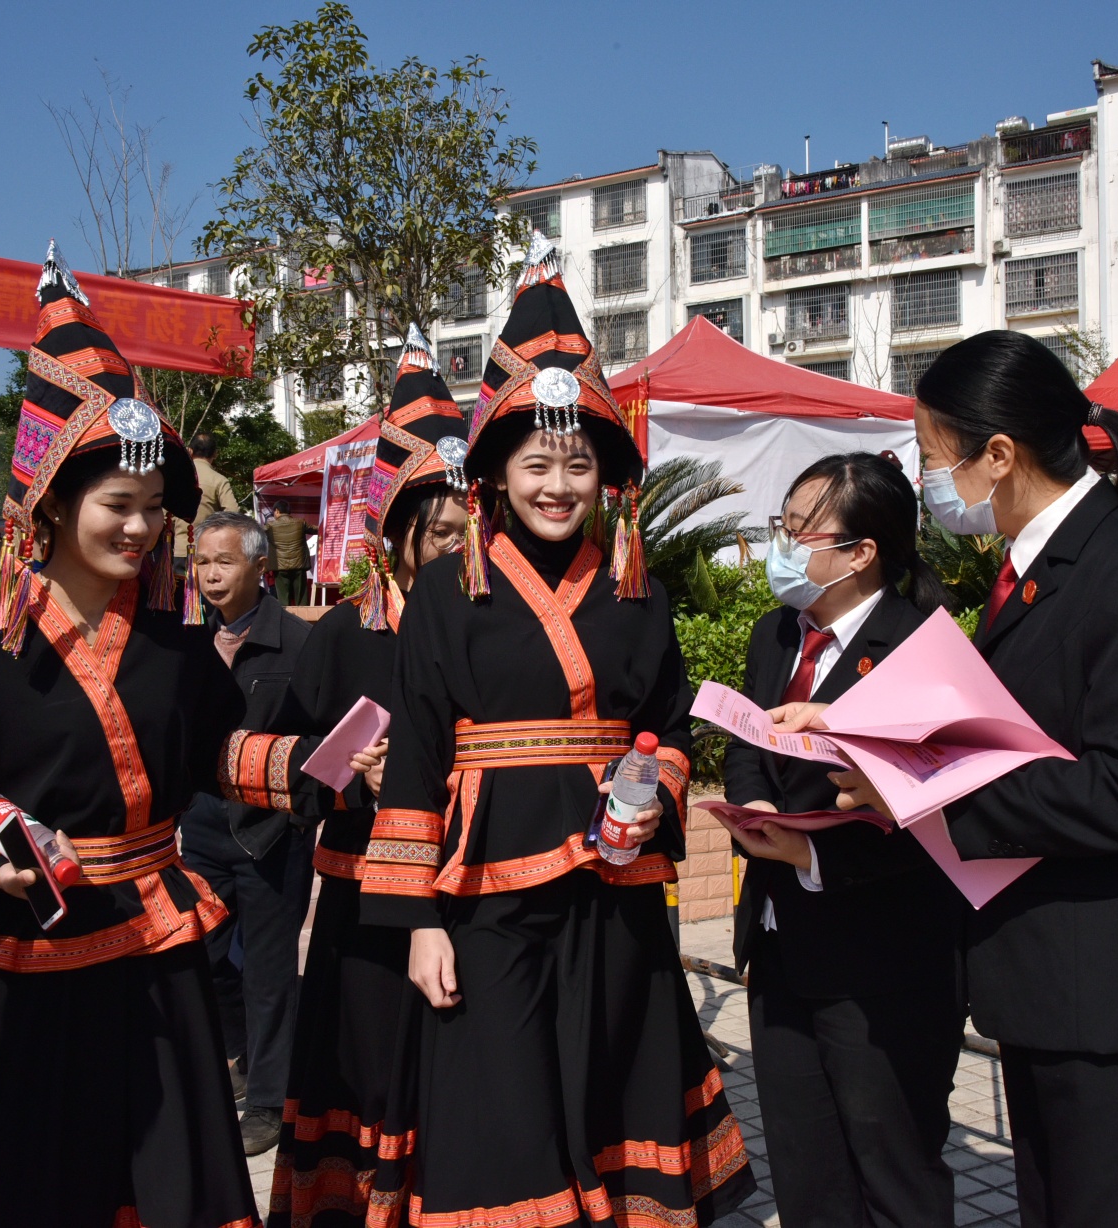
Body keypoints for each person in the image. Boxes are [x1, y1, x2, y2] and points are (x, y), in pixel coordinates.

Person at [799, 332, 1118, 1227]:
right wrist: (864, 734)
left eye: (933, 455)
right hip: (1054, 977)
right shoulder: (1040, 567)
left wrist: (927, 791)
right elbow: (1016, 733)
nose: (927, 479)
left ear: (998, 454)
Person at [347, 238, 756, 1228]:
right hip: (484, 889)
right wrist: (417, 923)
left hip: (613, 881)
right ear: (495, 471)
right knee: (500, 1093)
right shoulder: (446, 593)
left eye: (578, 461)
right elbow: (418, 754)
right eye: (537, 462)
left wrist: (652, 793)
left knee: (611, 1074)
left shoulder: (637, 591)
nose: (558, 483)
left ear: (605, 473)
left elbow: (665, 725)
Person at [0, 243, 262, 1228]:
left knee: (167, 1182)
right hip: (36, 951)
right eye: (118, 506)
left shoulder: (171, 641)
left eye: (154, 510)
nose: (140, 529)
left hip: (159, 950)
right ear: (52, 502)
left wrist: (314, 766)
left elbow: (215, 755)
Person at [717, 453, 965, 1228]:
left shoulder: (923, 651)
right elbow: (747, 742)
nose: (782, 546)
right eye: (781, 525)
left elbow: (941, 809)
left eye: (799, 532)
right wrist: (755, 804)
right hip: (778, 942)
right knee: (806, 1170)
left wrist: (814, 853)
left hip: (883, 959)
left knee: (893, 1168)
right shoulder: (774, 633)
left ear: (861, 553)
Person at [262, 326, 472, 1226]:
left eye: (468, 533)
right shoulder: (347, 634)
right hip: (362, 899)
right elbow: (276, 761)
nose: (456, 551)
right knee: (367, 1063)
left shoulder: (491, 630)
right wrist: (352, 777)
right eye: (440, 534)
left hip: (464, 888)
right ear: (396, 534)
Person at [182, 509, 316, 1155]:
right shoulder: (187, 641)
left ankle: (268, 1099)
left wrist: (299, 809)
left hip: (271, 833)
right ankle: (242, 1053)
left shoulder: (298, 643)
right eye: (203, 562)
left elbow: (324, 732)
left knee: (269, 974)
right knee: (203, 956)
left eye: (225, 561)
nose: (211, 575)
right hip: (203, 826)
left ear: (260, 568)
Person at [174, 430, 240, 567]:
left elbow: (163, 514)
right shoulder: (219, 480)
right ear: (215, 454)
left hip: (178, 549)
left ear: (190, 451)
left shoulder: (177, 478)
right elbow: (233, 512)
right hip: (206, 550)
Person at [266, 498, 314, 605]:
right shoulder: (301, 523)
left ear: (277, 511)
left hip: (280, 567)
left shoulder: (270, 526)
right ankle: (303, 616)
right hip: (299, 566)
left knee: (283, 601)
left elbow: (256, 533)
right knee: (301, 600)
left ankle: (285, 616)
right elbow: (318, 529)